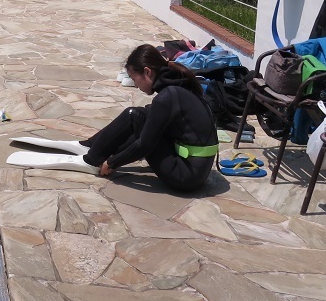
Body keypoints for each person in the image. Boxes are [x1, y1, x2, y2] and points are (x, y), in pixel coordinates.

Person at [15, 44, 218, 191]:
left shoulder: (166, 96)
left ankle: (91, 159)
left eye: (134, 78)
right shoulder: (177, 85)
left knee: (135, 115)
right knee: (138, 115)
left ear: (147, 72)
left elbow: (145, 145)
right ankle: (89, 146)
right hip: (195, 168)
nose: (135, 84)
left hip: (184, 176)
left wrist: (112, 163)